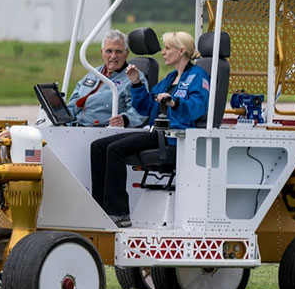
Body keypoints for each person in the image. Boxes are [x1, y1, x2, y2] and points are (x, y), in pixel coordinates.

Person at [90, 31, 210, 227]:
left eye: (168, 48)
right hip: (156, 131)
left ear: (181, 51)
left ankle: (119, 212)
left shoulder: (198, 76)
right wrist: (136, 82)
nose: (163, 52)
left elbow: (198, 106)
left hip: (173, 136)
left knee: (115, 150)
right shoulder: (170, 77)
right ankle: (99, 207)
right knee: (98, 147)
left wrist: (174, 103)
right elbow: (146, 107)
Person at [67, 30, 148, 127]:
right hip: (75, 128)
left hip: (103, 131)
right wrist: (63, 120)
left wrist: (125, 119)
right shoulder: (93, 73)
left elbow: (141, 110)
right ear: (102, 53)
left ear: (126, 54)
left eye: (118, 51)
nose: (113, 56)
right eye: (109, 51)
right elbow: (73, 103)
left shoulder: (134, 78)